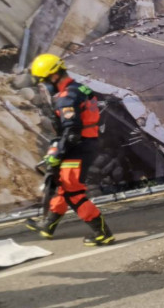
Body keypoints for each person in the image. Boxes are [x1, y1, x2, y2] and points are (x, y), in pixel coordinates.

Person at [25, 54, 114, 246]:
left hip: (77, 148)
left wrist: (58, 153)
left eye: (43, 81)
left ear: (53, 76)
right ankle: (48, 226)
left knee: (73, 192)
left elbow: (71, 131)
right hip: (85, 144)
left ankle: (102, 233)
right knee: (63, 188)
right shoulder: (81, 89)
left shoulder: (67, 98)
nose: (44, 86)